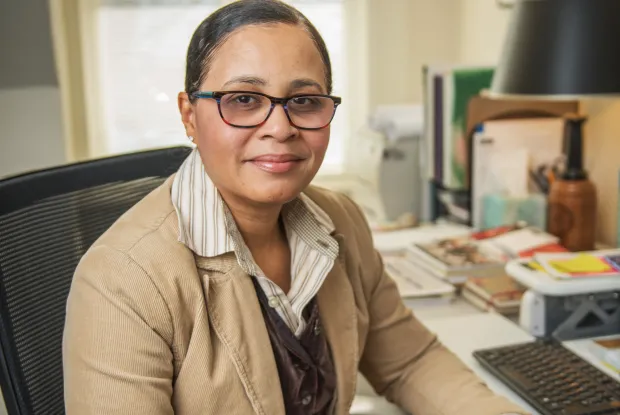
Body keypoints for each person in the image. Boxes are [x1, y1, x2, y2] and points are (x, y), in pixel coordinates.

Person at [62, 1, 528, 414]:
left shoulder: (341, 220)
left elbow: (410, 362)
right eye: (243, 100)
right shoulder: (121, 280)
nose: (280, 127)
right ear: (190, 115)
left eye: (303, 101)